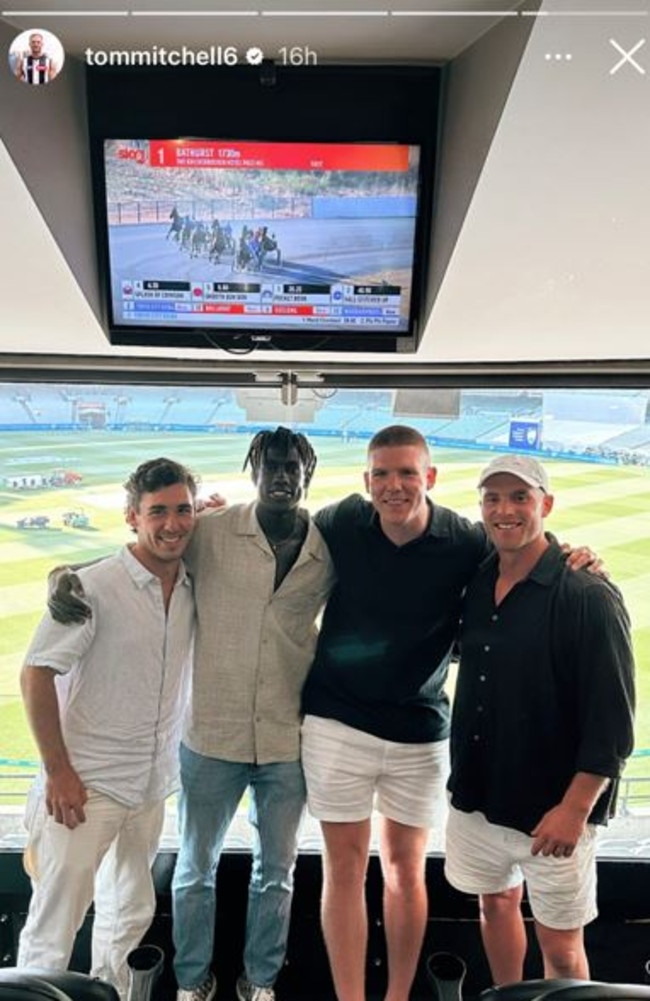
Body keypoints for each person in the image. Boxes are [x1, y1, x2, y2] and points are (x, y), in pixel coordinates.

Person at [300, 426, 598, 1001]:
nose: (394, 486)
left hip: (420, 732)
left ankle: (397, 996)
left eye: (407, 473)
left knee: (406, 873)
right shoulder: (340, 522)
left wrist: (572, 556)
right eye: (382, 475)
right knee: (343, 870)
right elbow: (280, 541)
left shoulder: (466, 541)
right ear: (366, 482)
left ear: (429, 478)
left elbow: (525, 553)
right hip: (336, 723)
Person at [445, 453, 635, 985]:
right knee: (496, 905)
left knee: (563, 947)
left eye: (520, 497)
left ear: (545, 505)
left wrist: (574, 810)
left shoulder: (588, 595)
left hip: (554, 812)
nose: (505, 510)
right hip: (482, 798)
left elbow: (613, 724)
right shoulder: (480, 580)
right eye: (493, 499)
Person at [17, 458, 198, 999]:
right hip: (83, 788)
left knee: (129, 914)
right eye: (157, 512)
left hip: (148, 786)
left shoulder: (192, 581)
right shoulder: (89, 587)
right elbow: (35, 674)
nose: (172, 524)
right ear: (131, 517)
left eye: (182, 509)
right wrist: (58, 772)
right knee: (54, 925)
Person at [172, 427, 334, 1001]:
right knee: (194, 870)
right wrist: (70, 576)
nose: (284, 477)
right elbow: (146, 554)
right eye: (274, 466)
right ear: (254, 470)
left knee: (278, 874)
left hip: (287, 740)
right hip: (210, 735)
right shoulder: (210, 532)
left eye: (294, 467)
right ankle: (192, 982)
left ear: (308, 473)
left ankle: (259, 981)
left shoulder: (327, 547)